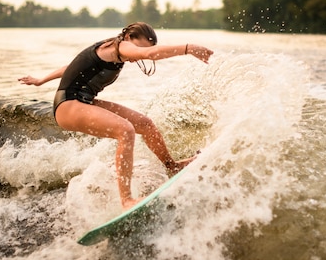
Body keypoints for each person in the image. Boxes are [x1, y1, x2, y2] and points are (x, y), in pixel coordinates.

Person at [19, 22, 213, 210]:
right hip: (68, 105)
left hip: (83, 101)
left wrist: (41, 80)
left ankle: (172, 166)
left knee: (145, 124)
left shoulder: (111, 51)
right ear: (129, 37)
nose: (138, 56)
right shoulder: (119, 46)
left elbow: (70, 67)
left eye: (141, 51)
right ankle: (126, 200)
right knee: (125, 130)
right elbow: (150, 53)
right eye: (138, 47)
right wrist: (189, 48)